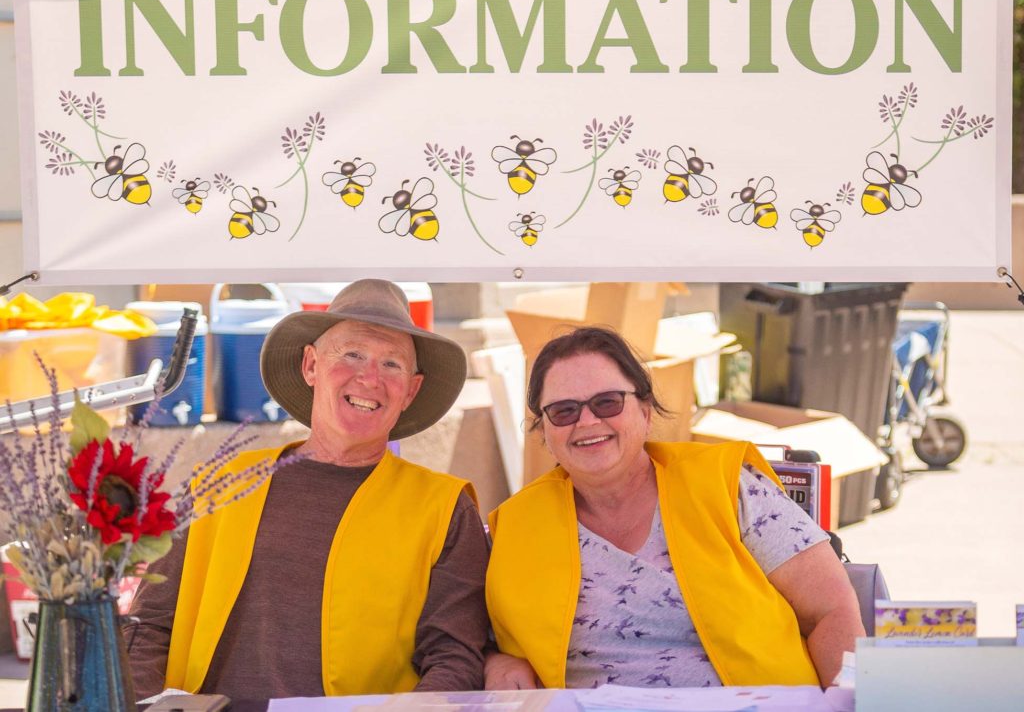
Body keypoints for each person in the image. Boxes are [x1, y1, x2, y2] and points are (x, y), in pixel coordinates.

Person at [128, 279, 490, 700]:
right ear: (311, 366)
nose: (369, 378)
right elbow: (149, 625)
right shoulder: (220, 484)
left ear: (411, 390)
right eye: (352, 354)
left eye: (392, 364)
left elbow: (455, 657)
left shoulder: (444, 507)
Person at [485, 326, 864, 691]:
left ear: (646, 412)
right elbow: (466, 634)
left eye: (607, 402)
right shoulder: (515, 525)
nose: (587, 421)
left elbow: (832, 610)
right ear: (545, 433)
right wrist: (495, 660)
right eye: (564, 411)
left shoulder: (727, 485)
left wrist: (848, 702)